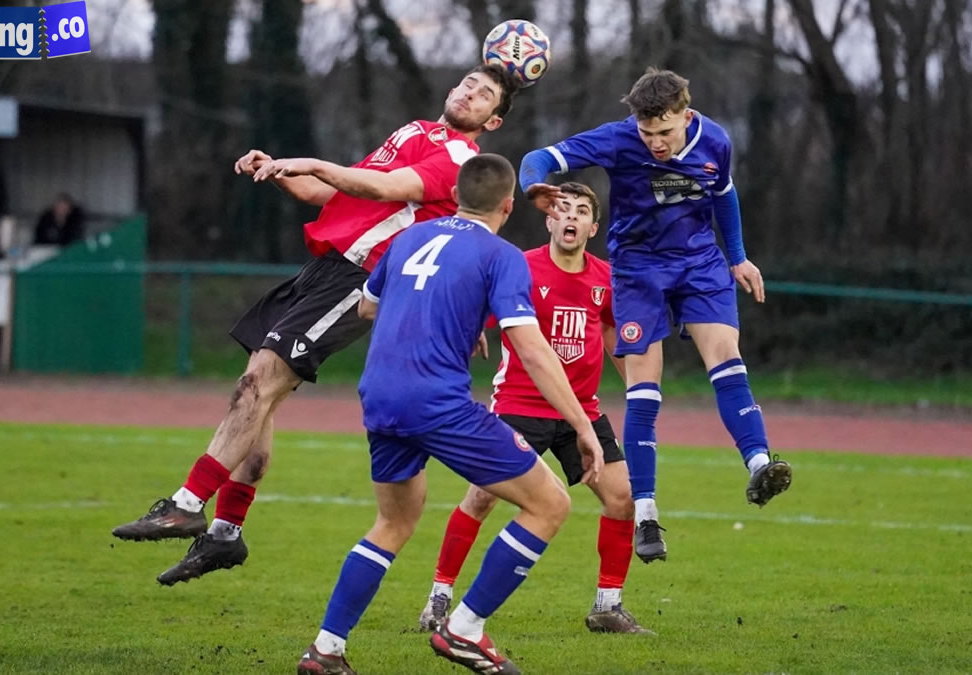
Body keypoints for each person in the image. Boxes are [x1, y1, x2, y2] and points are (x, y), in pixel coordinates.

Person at [110, 64, 521, 586]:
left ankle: (187, 503)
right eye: (468, 83)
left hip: (358, 280)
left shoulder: (460, 157)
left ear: (494, 120)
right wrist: (283, 171)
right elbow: (332, 193)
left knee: (259, 383)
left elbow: (383, 186)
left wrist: (312, 161)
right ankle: (224, 535)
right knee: (260, 395)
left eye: (484, 95)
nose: (470, 94)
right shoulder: (415, 131)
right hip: (323, 268)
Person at [296, 154, 603, 675]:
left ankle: (326, 648)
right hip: (436, 401)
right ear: (508, 204)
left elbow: (368, 308)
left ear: (457, 193)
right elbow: (530, 348)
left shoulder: (409, 237)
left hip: (380, 395)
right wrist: (581, 424)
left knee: (393, 522)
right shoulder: (502, 255)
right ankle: (464, 631)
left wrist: (443, 312)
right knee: (550, 504)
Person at [518, 68, 793, 563]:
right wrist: (536, 184)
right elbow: (539, 157)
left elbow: (724, 194)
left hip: (699, 261)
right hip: (638, 268)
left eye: (665, 132)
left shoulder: (717, 141)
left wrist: (737, 257)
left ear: (687, 116)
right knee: (644, 385)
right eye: (647, 134)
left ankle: (758, 463)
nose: (656, 143)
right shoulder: (619, 139)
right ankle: (646, 515)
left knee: (726, 357)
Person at [416, 182, 652, 637]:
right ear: (549, 219)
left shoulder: (605, 277)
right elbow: (477, 309)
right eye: (563, 209)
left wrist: (640, 389)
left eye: (582, 211)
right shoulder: (519, 267)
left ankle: (608, 606)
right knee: (481, 496)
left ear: (592, 226)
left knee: (623, 499)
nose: (571, 217)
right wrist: (469, 331)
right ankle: (439, 597)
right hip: (519, 405)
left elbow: (610, 334)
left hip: (581, 412)